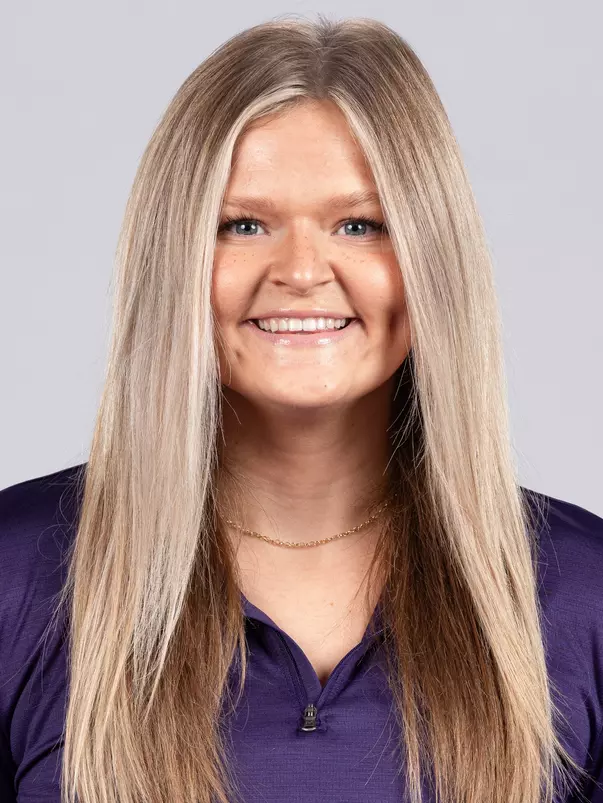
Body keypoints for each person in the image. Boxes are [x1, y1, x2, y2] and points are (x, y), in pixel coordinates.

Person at [1, 14, 602, 803]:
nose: (300, 270)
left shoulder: (582, 590)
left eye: (359, 224)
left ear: (434, 259)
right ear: (173, 258)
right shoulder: (16, 572)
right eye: (243, 224)